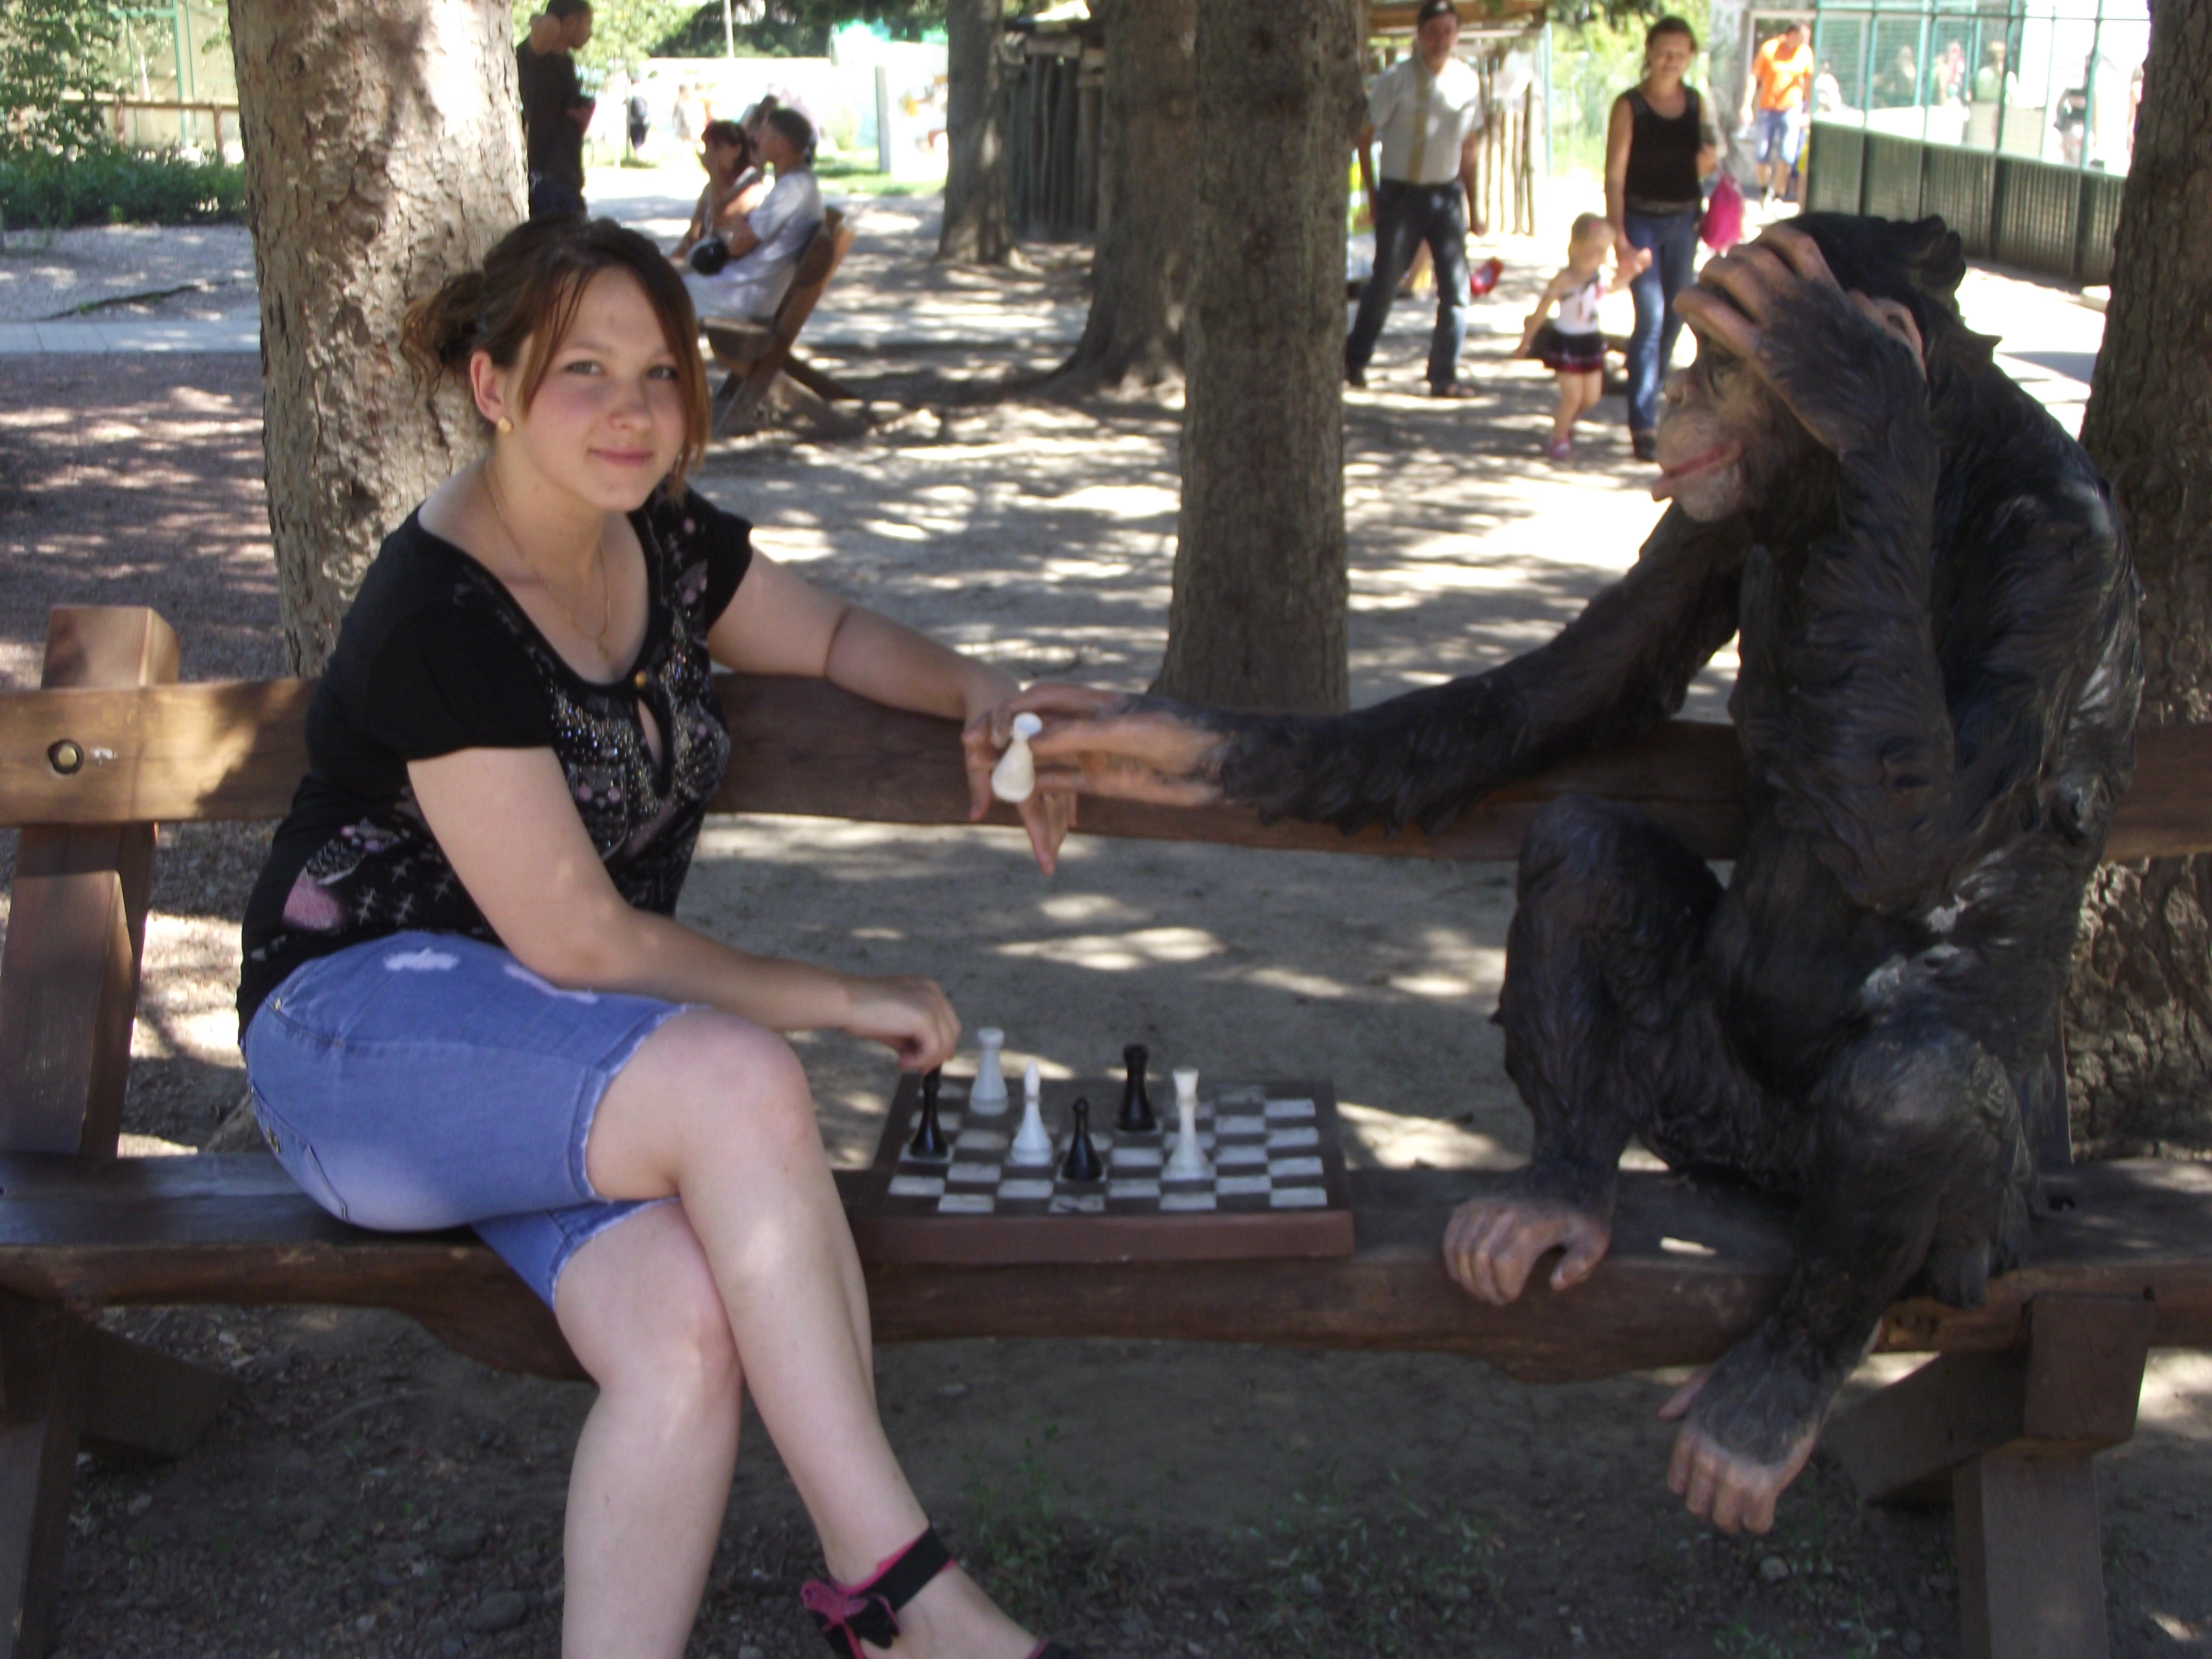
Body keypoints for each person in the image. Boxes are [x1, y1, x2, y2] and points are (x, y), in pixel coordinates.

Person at [235, 215, 1084, 1659]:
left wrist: (974, 688)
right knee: (741, 1079)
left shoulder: (665, 542)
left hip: (548, 1064)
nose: (631, 411)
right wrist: (842, 995)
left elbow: (832, 636)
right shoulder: (440, 610)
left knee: (685, 1326)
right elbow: (580, 938)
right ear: (494, 386)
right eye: (584, 370)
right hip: (359, 1040)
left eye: (660, 374)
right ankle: (899, 1593)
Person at [1343, 0, 1489, 398]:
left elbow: (1470, 147)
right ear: (1420, 34)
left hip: (1446, 195)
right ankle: (1354, 359)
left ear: (1457, 34)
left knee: (1456, 288)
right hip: (1401, 193)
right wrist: (1373, 194)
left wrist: (1476, 206)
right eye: (1433, 32)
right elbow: (1364, 136)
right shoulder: (1397, 79)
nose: (1440, 40)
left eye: (1448, 32)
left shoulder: (1468, 81)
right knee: (1386, 281)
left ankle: (1444, 374)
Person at [1606, 15, 1720, 462]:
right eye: (1665, 52)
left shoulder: (1695, 103)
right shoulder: (1629, 106)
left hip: (1684, 220)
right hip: (1641, 222)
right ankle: (1642, 423)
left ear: (1690, 57)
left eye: (1680, 54)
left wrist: (1708, 162)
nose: (1672, 61)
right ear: (1649, 53)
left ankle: (1647, 386)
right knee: (1651, 317)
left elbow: (1706, 161)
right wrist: (1619, 236)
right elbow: (1615, 175)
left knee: (1675, 315)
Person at [1517, 213, 1647, 462]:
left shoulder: (1598, 276)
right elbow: (1541, 312)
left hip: (1590, 341)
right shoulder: (1563, 280)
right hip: (1566, 343)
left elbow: (1613, 286)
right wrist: (1526, 342)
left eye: (1603, 251)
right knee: (1572, 396)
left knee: (1592, 397)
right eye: (1592, 249)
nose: (1597, 256)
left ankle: (1566, 421)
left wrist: (1633, 272)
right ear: (1576, 245)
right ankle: (1559, 439)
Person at [682, 105, 823, 321]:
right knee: (667, 285)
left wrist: (740, 224)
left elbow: (738, 246)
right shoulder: (799, 184)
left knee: (663, 294)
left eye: (763, 133)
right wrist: (741, 225)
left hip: (743, 295)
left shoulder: (793, 188)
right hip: (746, 288)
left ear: (781, 145)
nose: (756, 138)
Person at [517, 0, 595, 221]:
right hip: (544, 179)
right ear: (570, 23)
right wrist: (542, 19)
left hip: (568, 178)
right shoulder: (535, 57)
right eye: (588, 23)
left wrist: (579, 121)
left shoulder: (567, 63)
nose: (590, 33)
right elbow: (548, 24)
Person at [671, 119, 769, 267]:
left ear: (737, 150)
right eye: (708, 147)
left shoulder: (751, 186)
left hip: (730, 263)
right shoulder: (710, 188)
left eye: (717, 147)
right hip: (705, 258)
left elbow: (719, 218)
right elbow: (694, 234)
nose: (711, 154)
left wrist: (715, 175)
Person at [1741, 22, 1812, 206]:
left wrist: (1810, 111)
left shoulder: (1805, 53)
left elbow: (1808, 83)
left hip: (1791, 109)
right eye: (1802, 37)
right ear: (1791, 34)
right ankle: (1764, 190)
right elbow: (1754, 77)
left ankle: (1778, 195)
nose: (1805, 41)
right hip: (1768, 109)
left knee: (1787, 155)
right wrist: (1747, 105)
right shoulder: (1770, 49)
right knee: (1761, 154)